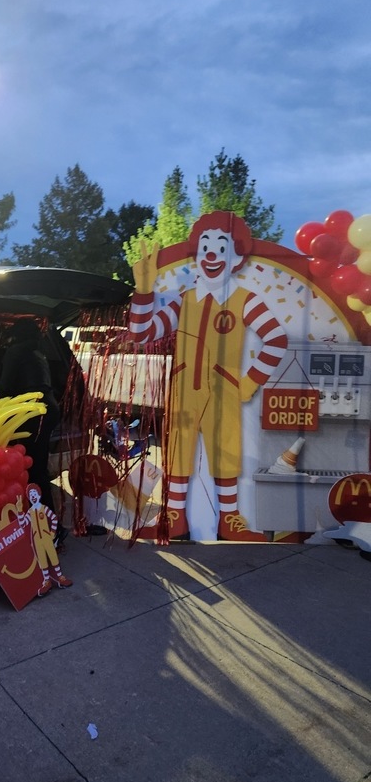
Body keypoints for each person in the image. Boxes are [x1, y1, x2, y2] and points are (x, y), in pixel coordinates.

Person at [129, 211, 288, 541]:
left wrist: (247, 383)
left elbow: (276, 339)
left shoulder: (245, 299)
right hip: (185, 386)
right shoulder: (185, 299)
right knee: (178, 451)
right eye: (205, 248)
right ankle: (175, 518)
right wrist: (143, 291)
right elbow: (142, 334)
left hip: (223, 389)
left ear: (236, 257)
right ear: (198, 255)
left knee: (225, 451)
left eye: (220, 246)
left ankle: (228, 520)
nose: (211, 255)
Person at [0, 318, 61, 515]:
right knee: (36, 463)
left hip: (33, 413)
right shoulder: (39, 351)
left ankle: (47, 521)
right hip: (46, 409)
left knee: (34, 466)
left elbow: (4, 388)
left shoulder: (16, 351)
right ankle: (41, 515)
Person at [17, 483, 72, 597]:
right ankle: (46, 581)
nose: (33, 496)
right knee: (42, 560)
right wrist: (19, 511)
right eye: (30, 494)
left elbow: (54, 518)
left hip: (46, 537)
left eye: (34, 493)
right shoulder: (30, 512)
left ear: (39, 495)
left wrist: (52, 532)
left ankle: (60, 578)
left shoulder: (44, 508)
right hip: (37, 539)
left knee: (52, 557)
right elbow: (22, 524)